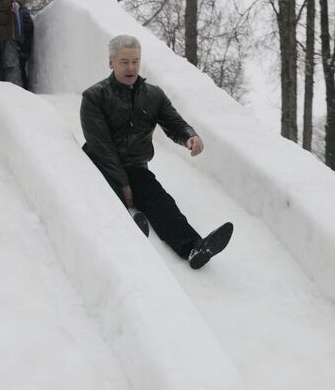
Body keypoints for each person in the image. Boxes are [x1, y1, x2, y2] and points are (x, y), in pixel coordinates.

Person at [80, 35, 233, 269]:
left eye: (135, 61)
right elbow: (101, 146)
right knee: (107, 196)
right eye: (124, 62)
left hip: (136, 166)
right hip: (100, 165)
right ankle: (130, 229)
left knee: (160, 201)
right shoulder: (94, 97)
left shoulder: (153, 95)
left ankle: (193, 248)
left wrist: (190, 136)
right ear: (111, 62)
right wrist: (124, 184)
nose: (131, 67)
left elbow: (175, 123)